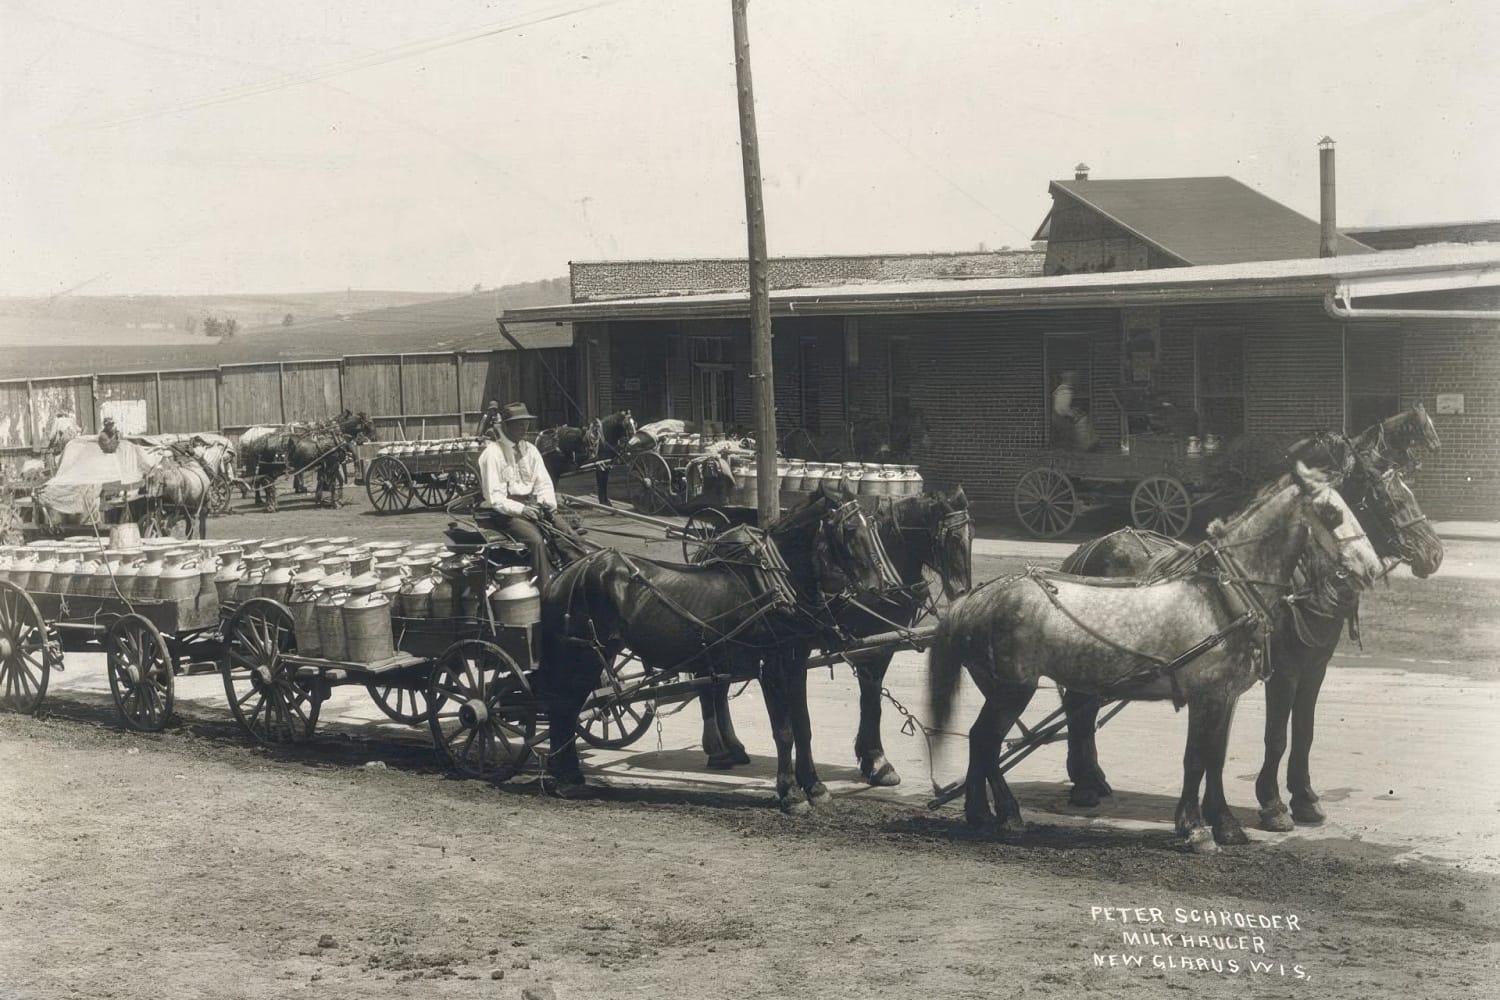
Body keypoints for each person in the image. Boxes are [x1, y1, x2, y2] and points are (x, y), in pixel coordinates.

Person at [476, 401, 563, 589]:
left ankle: (573, 578)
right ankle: (545, 588)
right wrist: (522, 510)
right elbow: (495, 498)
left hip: (533, 506)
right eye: (519, 424)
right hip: (504, 513)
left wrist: (546, 504)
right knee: (535, 540)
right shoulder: (493, 453)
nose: (525, 428)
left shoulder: (530, 450)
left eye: (526, 423)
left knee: (565, 532)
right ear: (506, 426)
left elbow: (543, 483)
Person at [1051, 371, 1098, 451]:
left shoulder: (1062, 389)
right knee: (1082, 421)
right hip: (1060, 418)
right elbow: (1061, 409)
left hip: (1060, 416)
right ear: (1069, 380)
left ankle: (1088, 444)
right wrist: (1073, 414)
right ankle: (1085, 445)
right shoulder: (1065, 391)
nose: (1074, 382)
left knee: (1083, 419)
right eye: (1073, 380)